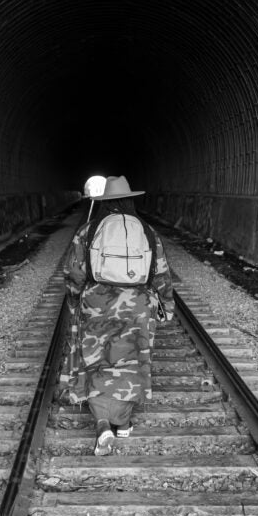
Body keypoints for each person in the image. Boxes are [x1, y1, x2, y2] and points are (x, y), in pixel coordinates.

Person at [59, 175, 175, 456]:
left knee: (97, 360)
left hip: (96, 303)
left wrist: (76, 299)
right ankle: (122, 422)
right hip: (137, 306)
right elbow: (160, 274)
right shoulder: (147, 232)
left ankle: (102, 422)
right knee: (130, 361)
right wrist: (165, 306)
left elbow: (74, 273)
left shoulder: (89, 230)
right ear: (129, 200)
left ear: (104, 203)